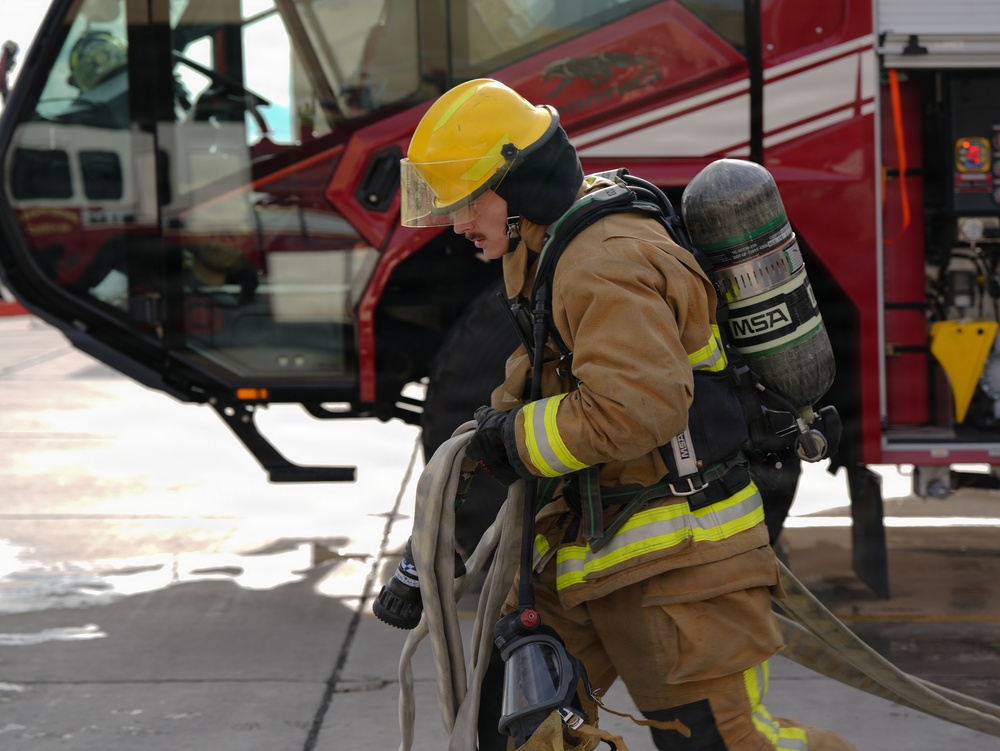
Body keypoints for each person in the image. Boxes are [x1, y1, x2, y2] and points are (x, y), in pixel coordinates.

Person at [400, 78, 857, 751]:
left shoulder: (604, 262)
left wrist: (514, 439)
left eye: (468, 201)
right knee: (516, 733)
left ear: (520, 186)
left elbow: (634, 409)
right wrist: (451, 503)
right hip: (589, 549)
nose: (459, 223)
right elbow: (538, 380)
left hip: (678, 567)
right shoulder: (545, 248)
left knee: (726, 744)